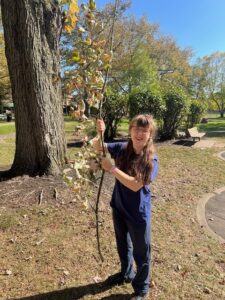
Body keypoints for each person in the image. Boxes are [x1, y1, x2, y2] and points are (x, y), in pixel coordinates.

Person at [94, 114, 158, 300]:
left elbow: (136, 184)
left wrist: (111, 169)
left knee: (142, 252)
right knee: (123, 245)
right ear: (130, 130)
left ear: (149, 135)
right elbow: (98, 146)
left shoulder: (151, 160)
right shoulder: (122, 148)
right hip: (119, 207)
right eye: (136, 128)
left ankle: (141, 288)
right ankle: (126, 273)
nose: (139, 133)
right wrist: (101, 132)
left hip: (138, 214)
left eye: (144, 130)